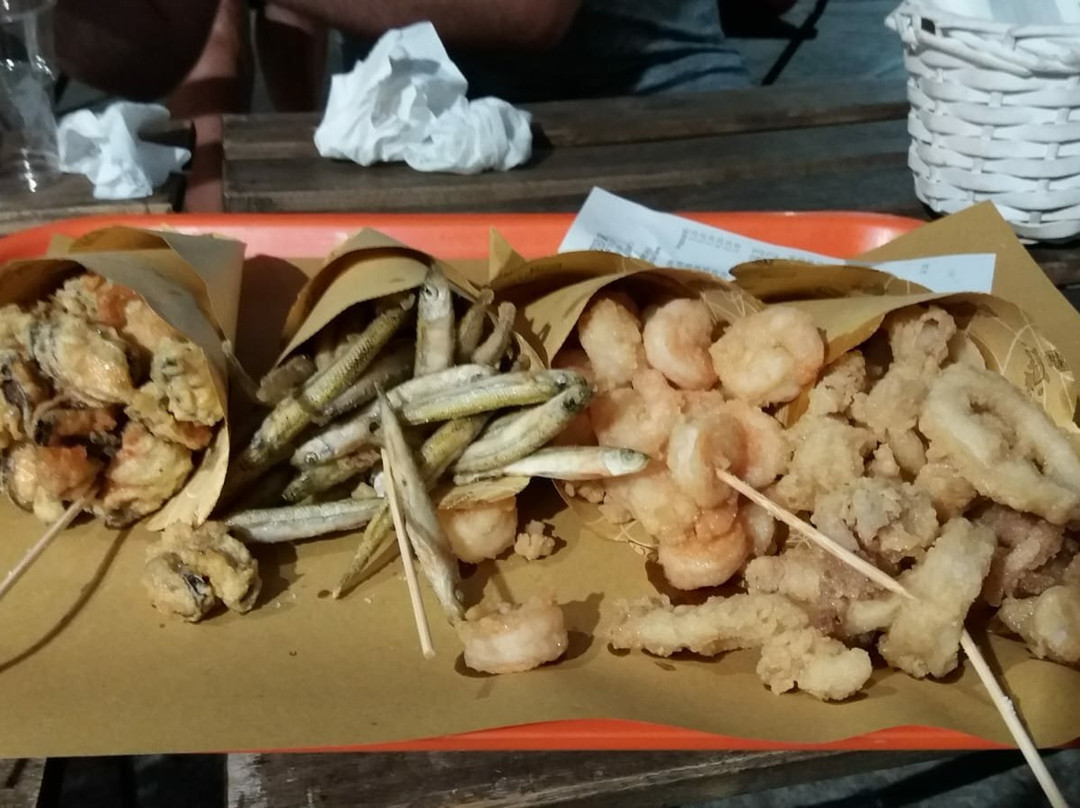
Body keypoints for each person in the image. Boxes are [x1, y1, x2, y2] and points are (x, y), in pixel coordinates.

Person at [55, 0, 749, 209]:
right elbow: (222, 32)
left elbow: (532, 13)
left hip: (651, 114)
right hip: (404, 138)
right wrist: (212, 235)